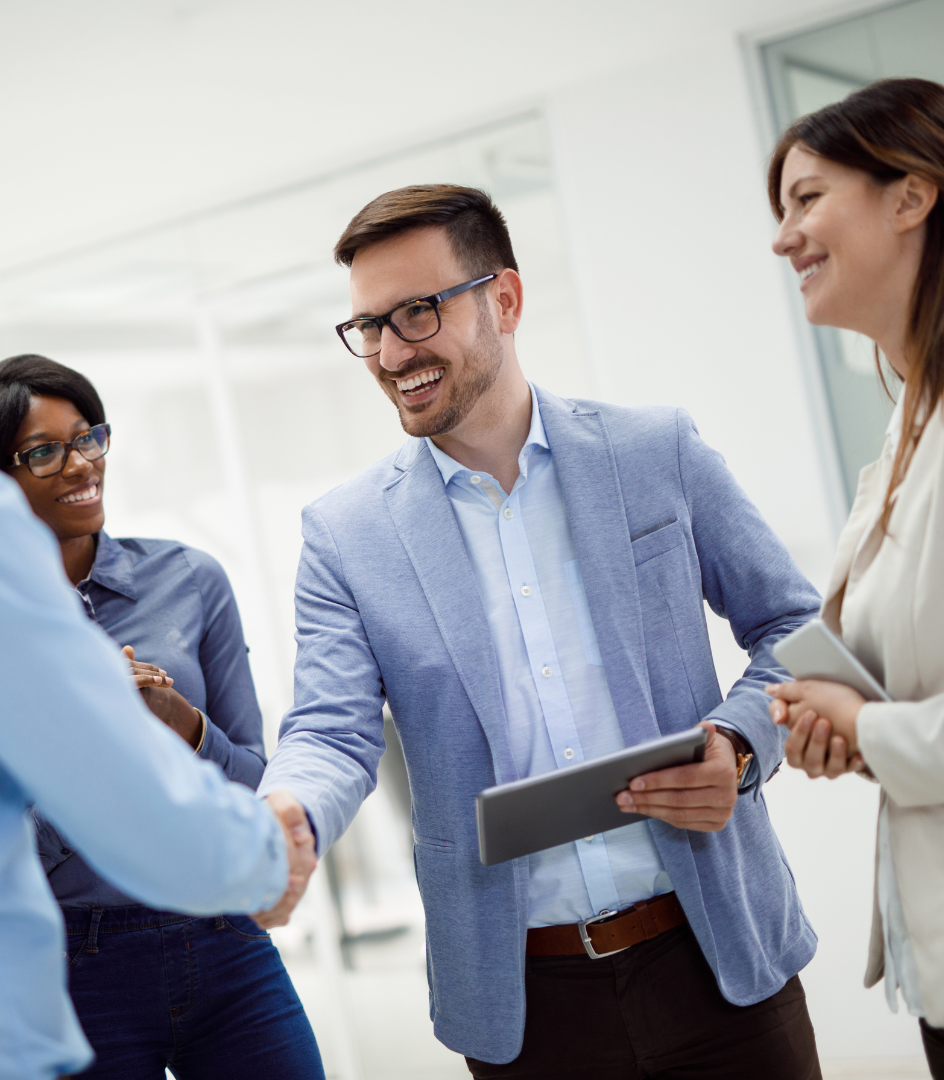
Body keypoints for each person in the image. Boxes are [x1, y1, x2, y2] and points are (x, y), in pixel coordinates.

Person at [258, 184, 824, 1077]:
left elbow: (799, 626)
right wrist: (286, 814)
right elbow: (330, 729)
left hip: (717, 961)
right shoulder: (346, 535)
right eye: (368, 326)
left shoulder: (655, 453)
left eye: (416, 313)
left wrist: (741, 745)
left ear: (505, 300)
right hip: (525, 1007)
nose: (389, 352)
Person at [0, 89, 314, 1080]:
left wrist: (193, 740)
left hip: (206, 950)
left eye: (89, 440)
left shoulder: (183, 577)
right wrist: (263, 851)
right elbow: (115, 796)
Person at [0, 354, 324, 1080]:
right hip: (71, 966)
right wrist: (90, 747)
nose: (81, 464)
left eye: (88, 438)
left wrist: (182, 724)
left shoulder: (189, 579)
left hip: (225, 939)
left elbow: (257, 786)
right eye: (43, 452)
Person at [767, 77, 944, 1080]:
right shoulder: (906, 428)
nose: (783, 239)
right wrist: (841, 720)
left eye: (806, 198)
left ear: (910, 196)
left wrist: (866, 727)